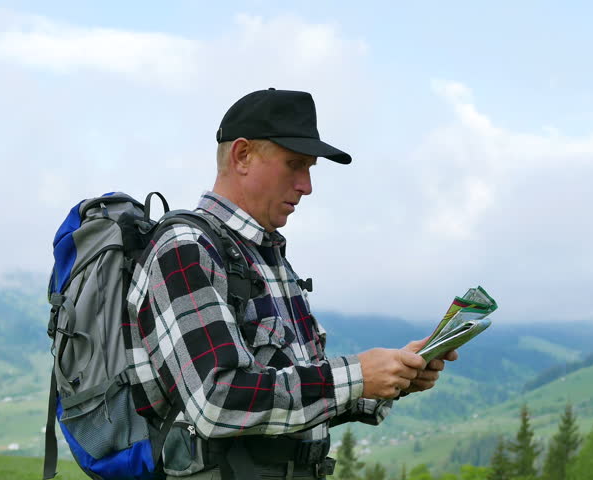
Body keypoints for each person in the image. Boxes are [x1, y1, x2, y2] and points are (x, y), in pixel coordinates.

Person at [124, 88, 458, 480]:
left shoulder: (267, 257)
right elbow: (216, 401)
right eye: (294, 164)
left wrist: (393, 377)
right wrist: (358, 375)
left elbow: (293, 391)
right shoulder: (185, 250)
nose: (307, 185)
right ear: (242, 156)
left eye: (310, 168)